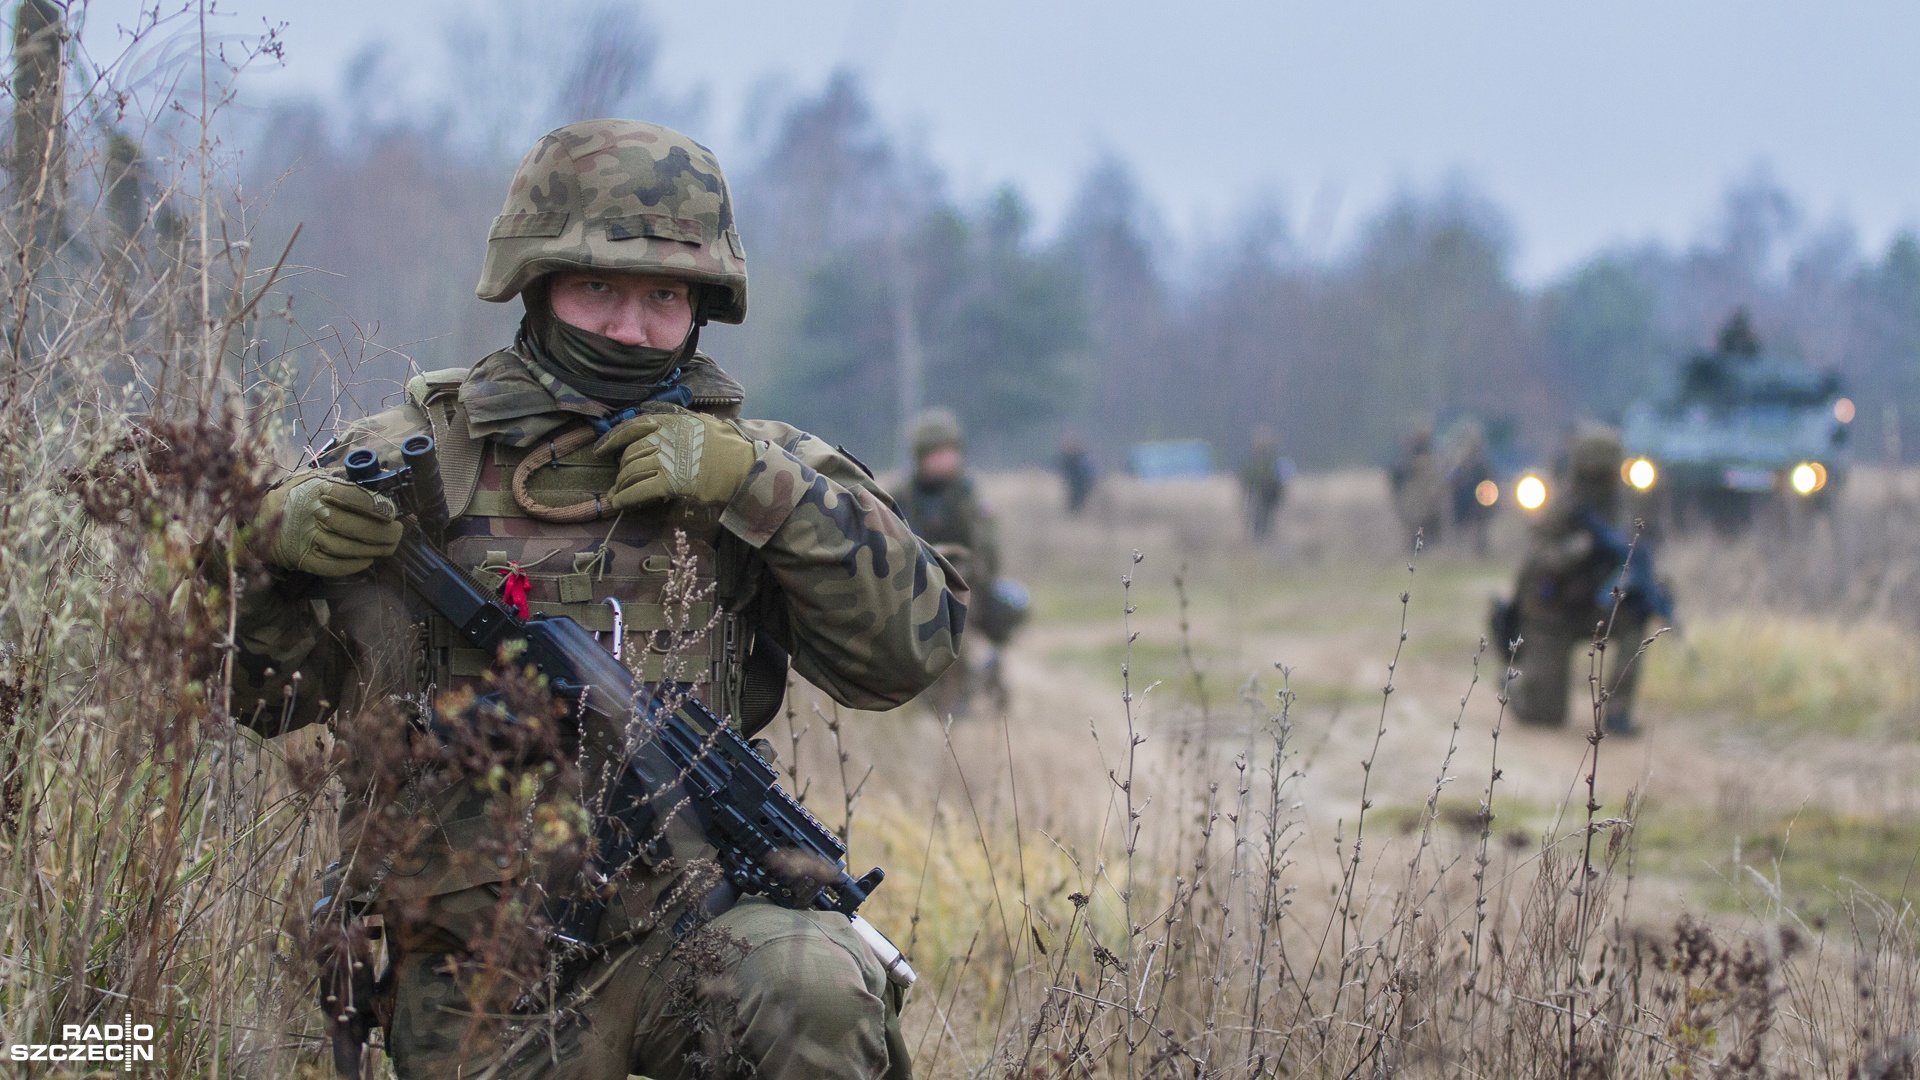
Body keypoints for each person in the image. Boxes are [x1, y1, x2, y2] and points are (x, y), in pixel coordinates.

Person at [232, 120, 965, 1080]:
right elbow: (261, 697)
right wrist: (264, 555)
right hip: (478, 954)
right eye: (599, 289)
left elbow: (907, 655)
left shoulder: (763, 466)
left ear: (704, 304)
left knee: (812, 986)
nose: (630, 327)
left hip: (692, 927)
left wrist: (758, 490)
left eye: (663, 296)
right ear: (535, 285)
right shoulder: (412, 463)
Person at [1500, 425, 1673, 735]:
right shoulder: (1562, 508)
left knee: (1636, 620)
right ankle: (1513, 683)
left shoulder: (1624, 509)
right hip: (1553, 615)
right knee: (1545, 717)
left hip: (1596, 608)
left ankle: (1618, 713)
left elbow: (1640, 551)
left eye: (1604, 476)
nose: (1599, 485)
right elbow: (1536, 562)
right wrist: (1578, 550)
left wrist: (1642, 587)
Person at [892, 408, 1020, 717]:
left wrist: (966, 575)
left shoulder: (968, 498)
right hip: (910, 586)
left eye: (949, 453)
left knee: (1009, 605)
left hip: (963, 587)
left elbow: (987, 553)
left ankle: (968, 688)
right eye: (937, 454)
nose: (945, 461)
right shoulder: (901, 498)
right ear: (921, 456)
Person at [1390, 425, 1446, 546]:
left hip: (1430, 499)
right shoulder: (1407, 457)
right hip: (1415, 500)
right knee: (1414, 528)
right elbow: (1398, 477)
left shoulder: (1435, 455)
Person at [1447, 421, 1496, 555]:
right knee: (1461, 528)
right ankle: (1459, 552)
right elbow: (1450, 480)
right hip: (1462, 500)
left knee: (1480, 528)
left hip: (1479, 500)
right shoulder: (1458, 462)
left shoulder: (1482, 464)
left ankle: (1480, 551)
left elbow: (1489, 481)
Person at [1238, 428, 1287, 542]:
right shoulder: (1261, 463)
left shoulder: (1271, 462)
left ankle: (1263, 541)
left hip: (1267, 496)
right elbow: (1247, 479)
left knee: (1264, 520)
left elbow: (1280, 481)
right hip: (1260, 495)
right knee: (1260, 520)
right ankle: (1261, 541)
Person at [1057, 432, 1097, 514]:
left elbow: (1089, 470)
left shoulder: (1082, 457)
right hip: (1071, 483)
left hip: (1081, 483)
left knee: (1080, 499)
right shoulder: (1066, 459)